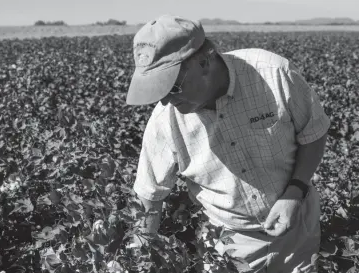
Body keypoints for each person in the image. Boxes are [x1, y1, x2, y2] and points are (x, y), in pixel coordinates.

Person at [125, 14, 330, 273]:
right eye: (158, 91)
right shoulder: (164, 121)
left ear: (204, 61)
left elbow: (313, 132)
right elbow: (149, 196)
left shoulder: (273, 73)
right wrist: (139, 261)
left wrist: (295, 191)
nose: (165, 101)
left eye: (172, 87)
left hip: (297, 225)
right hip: (228, 242)